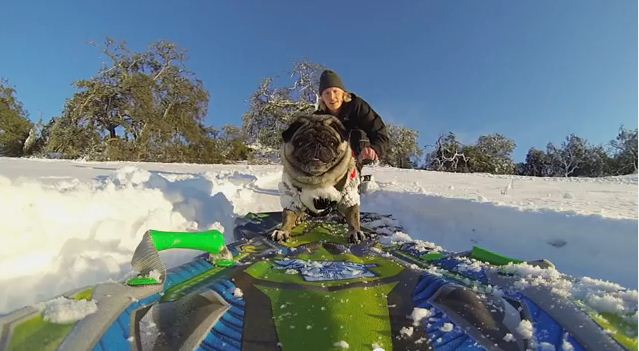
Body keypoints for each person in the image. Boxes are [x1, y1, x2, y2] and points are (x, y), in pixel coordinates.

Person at [314, 70, 389, 167]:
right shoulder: (318, 117)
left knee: (356, 135)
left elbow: (379, 132)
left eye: (335, 91)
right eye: (327, 93)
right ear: (322, 97)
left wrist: (374, 149)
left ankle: (359, 170)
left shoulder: (357, 106)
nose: (332, 97)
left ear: (343, 93)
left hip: (358, 158)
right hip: (330, 162)